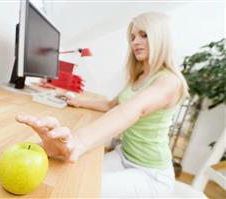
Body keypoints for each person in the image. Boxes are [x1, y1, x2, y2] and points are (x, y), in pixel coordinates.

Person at [15, 12, 189, 197]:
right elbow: (111, 105)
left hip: (150, 173)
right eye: (132, 37)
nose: (135, 41)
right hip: (124, 155)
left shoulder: (169, 81)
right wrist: (78, 101)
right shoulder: (138, 77)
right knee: (68, 173)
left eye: (144, 35)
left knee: (79, 189)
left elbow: (133, 110)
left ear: (160, 37)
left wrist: (79, 140)